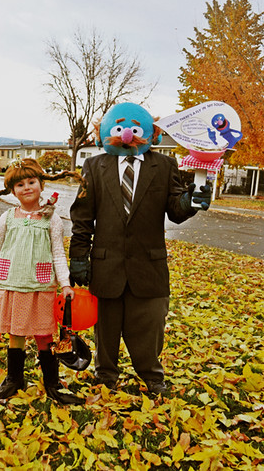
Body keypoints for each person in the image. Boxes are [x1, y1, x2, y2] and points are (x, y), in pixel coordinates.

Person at [69, 103, 211, 395]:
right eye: (119, 129)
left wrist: (190, 202)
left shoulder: (164, 166)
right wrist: (79, 256)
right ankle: (105, 374)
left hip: (149, 265)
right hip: (106, 266)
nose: (127, 136)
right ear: (104, 133)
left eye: (135, 129)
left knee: (149, 324)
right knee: (106, 328)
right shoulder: (94, 167)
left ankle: (152, 375)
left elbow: (175, 209)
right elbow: (82, 216)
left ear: (151, 134)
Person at [0, 158, 85, 405]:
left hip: (41, 286)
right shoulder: (7, 217)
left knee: (44, 334)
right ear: (12, 191)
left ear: (42, 184)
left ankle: (52, 383)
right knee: (16, 333)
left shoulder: (51, 219)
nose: (27, 187)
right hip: (12, 283)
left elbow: (57, 253)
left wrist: (65, 283)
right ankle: (14, 378)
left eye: (32, 181)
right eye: (20, 184)